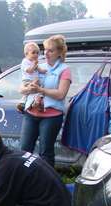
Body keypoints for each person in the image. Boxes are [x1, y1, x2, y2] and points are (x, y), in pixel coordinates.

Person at [19, 35, 72, 168]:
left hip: (51, 116)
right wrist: (27, 89)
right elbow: (21, 87)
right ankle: (24, 180)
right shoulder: (37, 65)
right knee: (24, 150)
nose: (46, 53)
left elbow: (60, 94)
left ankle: (46, 183)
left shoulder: (64, 70)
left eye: (51, 50)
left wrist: (41, 90)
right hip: (31, 113)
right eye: (45, 50)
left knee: (45, 152)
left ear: (60, 52)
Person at [17, 42, 47, 113]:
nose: (36, 55)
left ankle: (35, 103)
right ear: (26, 54)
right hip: (27, 80)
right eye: (33, 53)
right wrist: (34, 65)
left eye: (37, 53)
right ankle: (23, 103)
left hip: (34, 81)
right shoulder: (25, 62)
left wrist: (44, 71)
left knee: (37, 90)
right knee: (28, 92)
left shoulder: (34, 62)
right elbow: (29, 71)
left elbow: (39, 69)